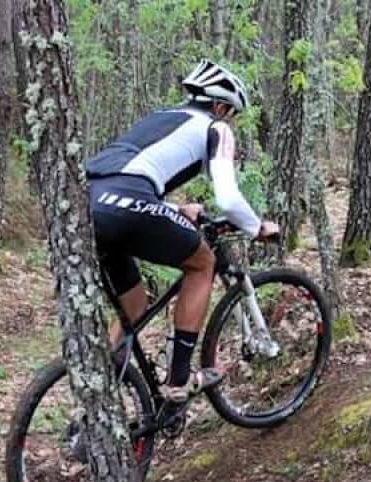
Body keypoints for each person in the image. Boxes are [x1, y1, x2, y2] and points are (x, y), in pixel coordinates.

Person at [85, 60, 279, 403]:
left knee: (134, 306)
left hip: (89, 203)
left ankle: (97, 396)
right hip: (129, 201)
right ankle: (178, 379)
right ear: (220, 106)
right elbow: (228, 197)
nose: (229, 120)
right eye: (230, 113)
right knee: (202, 263)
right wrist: (256, 226)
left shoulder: (161, 118)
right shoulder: (215, 128)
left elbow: (128, 176)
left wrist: (175, 209)